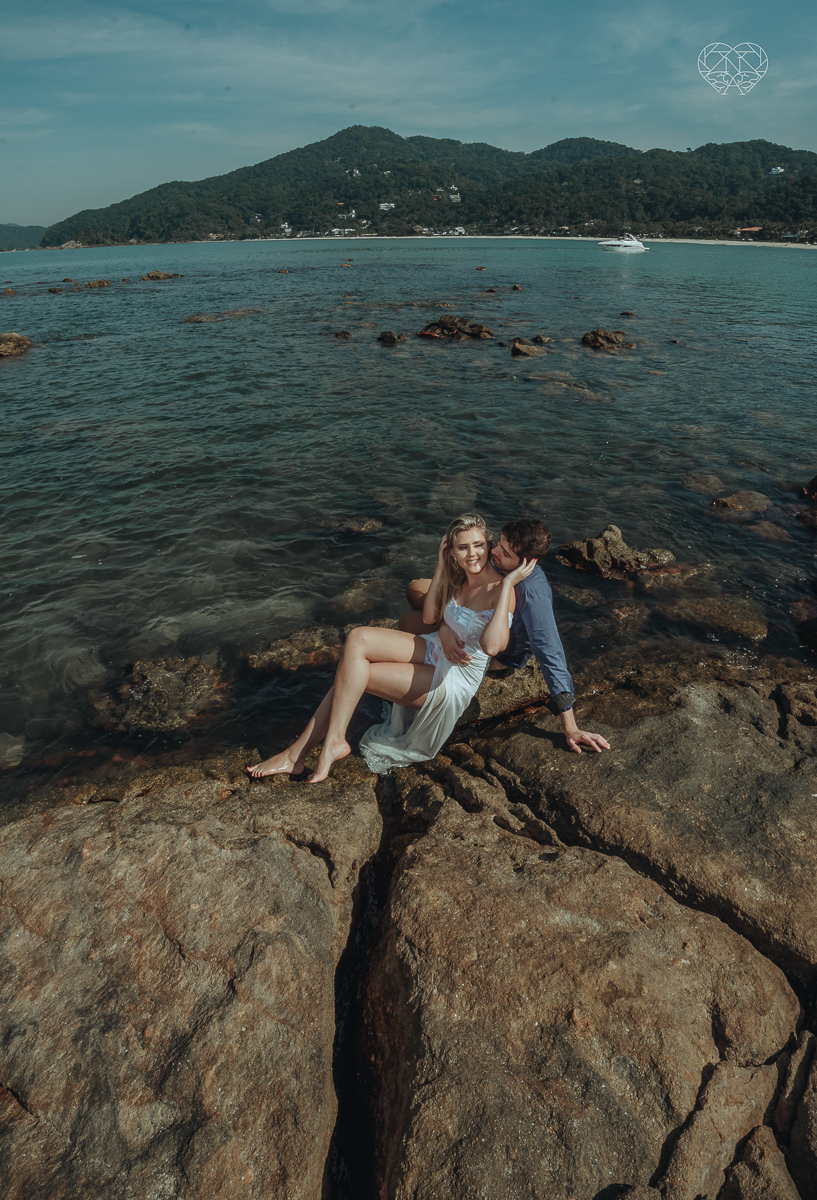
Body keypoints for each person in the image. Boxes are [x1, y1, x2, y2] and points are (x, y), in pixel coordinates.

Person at [246, 513, 534, 783]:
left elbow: (493, 645)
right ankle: (325, 743)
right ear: (452, 551)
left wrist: (509, 583)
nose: (472, 554)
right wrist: (440, 569)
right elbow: (431, 618)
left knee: (356, 675)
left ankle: (301, 752)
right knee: (357, 638)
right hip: (436, 648)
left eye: (479, 545)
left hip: (457, 675)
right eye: (462, 548)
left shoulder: (500, 588)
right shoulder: (458, 575)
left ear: (488, 544)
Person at [400, 517, 610, 755]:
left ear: (527, 563)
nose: (495, 552)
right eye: (499, 543)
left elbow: (550, 654)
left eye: (505, 552)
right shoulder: (499, 559)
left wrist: (570, 727)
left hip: (495, 648)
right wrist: (444, 627)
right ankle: (435, 632)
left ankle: (414, 667)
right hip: (474, 616)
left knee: (409, 620)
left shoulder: (533, 595)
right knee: (414, 588)